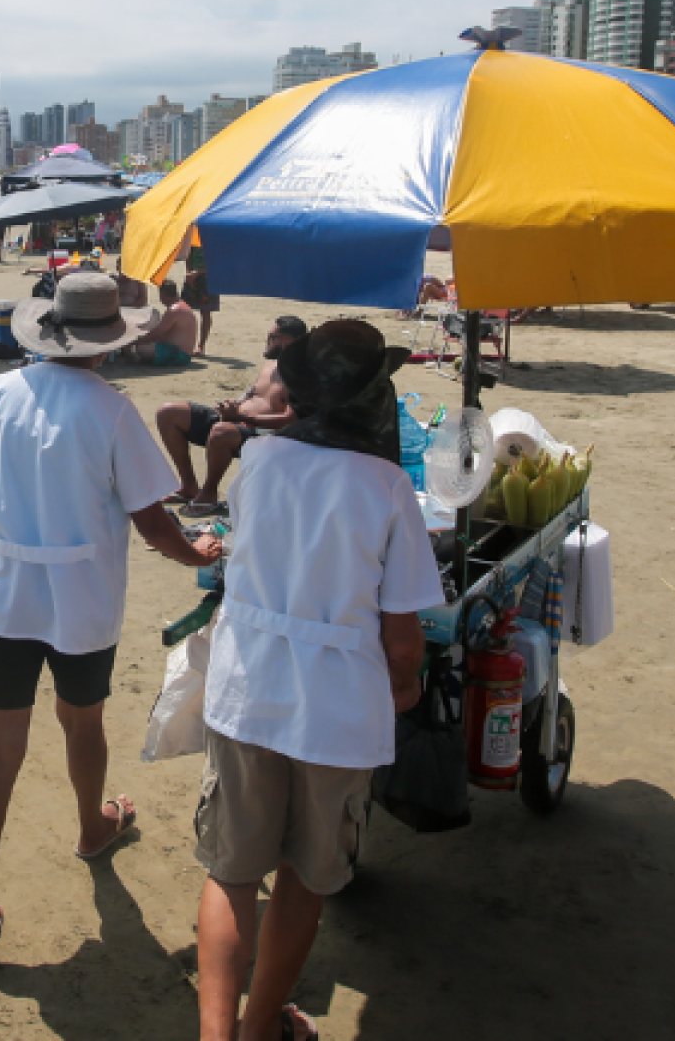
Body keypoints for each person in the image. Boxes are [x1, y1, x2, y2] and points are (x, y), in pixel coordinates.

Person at [0, 272, 220, 973]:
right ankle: (92, 827)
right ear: (108, 343)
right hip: (82, 599)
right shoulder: (111, 411)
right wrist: (197, 551)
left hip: (5, 594)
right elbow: (152, 522)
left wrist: (30, 498)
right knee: (82, 720)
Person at [191, 317, 444, 1041]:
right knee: (305, 878)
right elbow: (403, 638)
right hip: (336, 711)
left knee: (233, 873)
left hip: (248, 689)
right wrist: (405, 687)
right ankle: (259, 1027)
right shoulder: (388, 487)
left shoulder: (258, 460)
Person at [155, 316, 307, 516]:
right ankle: (189, 486)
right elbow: (253, 391)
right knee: (169, 413)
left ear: (289, 342)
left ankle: (208, 494)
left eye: (272, 337)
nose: (267, 340)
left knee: (221, 432)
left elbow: (290, 419)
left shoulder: (302, 373)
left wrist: (243, 418)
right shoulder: (271, 363)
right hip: (238, 420)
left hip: (265, 434)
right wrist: (233, 405)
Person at [126, 279, 198, 366]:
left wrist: (134, 341)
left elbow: (156, 333)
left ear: (162, 295)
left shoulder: (174, 310)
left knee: (142, 348)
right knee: (153, 316)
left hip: (179, 355)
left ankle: (139, 358)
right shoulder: (182, 305)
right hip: (184, 353)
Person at [182, 245, 220, 355]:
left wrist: (197, 272)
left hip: (209, 278)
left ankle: (201, 346)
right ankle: (185, 343)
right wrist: (189, 273)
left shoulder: (214, 241)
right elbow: (189, 254)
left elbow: (216, 262)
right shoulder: (195, 237)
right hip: (192, 276)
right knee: (184, 310)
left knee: (205, 312)